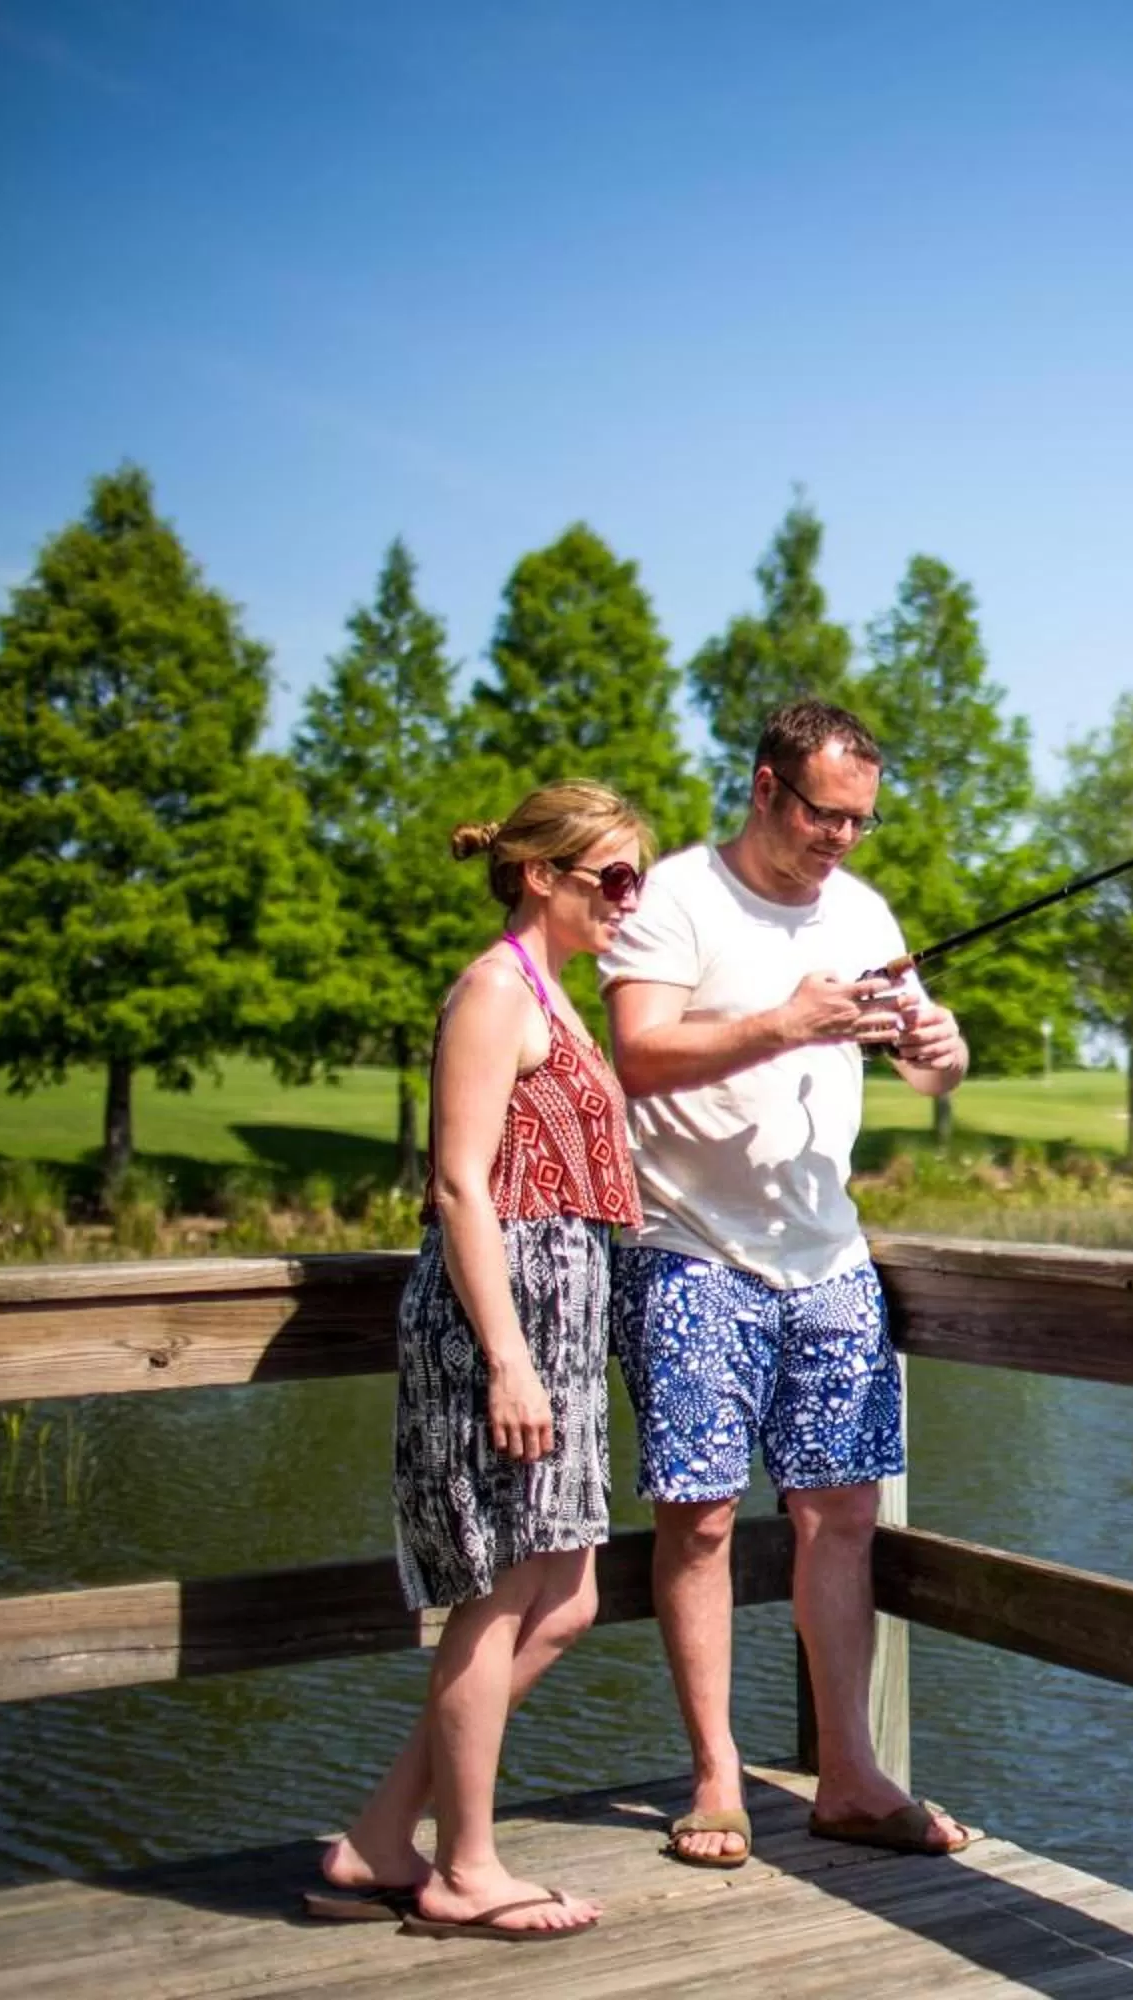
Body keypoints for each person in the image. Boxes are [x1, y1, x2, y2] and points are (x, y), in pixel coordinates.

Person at [599, 701, 975, 1869]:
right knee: (701, 1515)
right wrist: (783, 1022)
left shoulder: (863, 911)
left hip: (831, 1262)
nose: (841, 837)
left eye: (860, 819)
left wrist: (940, 1054)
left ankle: (851, 1775)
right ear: (766, 786)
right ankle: (718, 1773)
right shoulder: (675, 897)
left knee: (844, 1514)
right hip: (689, 1249)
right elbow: (636, 1052)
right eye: (823, 812)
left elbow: (922, 1058)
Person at [307, 781, 650, 1943]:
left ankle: (381, 1833)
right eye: (613, 877)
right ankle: (465, 1866)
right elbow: (461, 1183)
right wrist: (507, 1359)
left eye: (638, 878)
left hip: (562, 1316)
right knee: (497, 1593)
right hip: (500, 1319)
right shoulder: (496, 989)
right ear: (542, 875)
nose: (629, 899)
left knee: (568, 1595)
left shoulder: (556, 992)